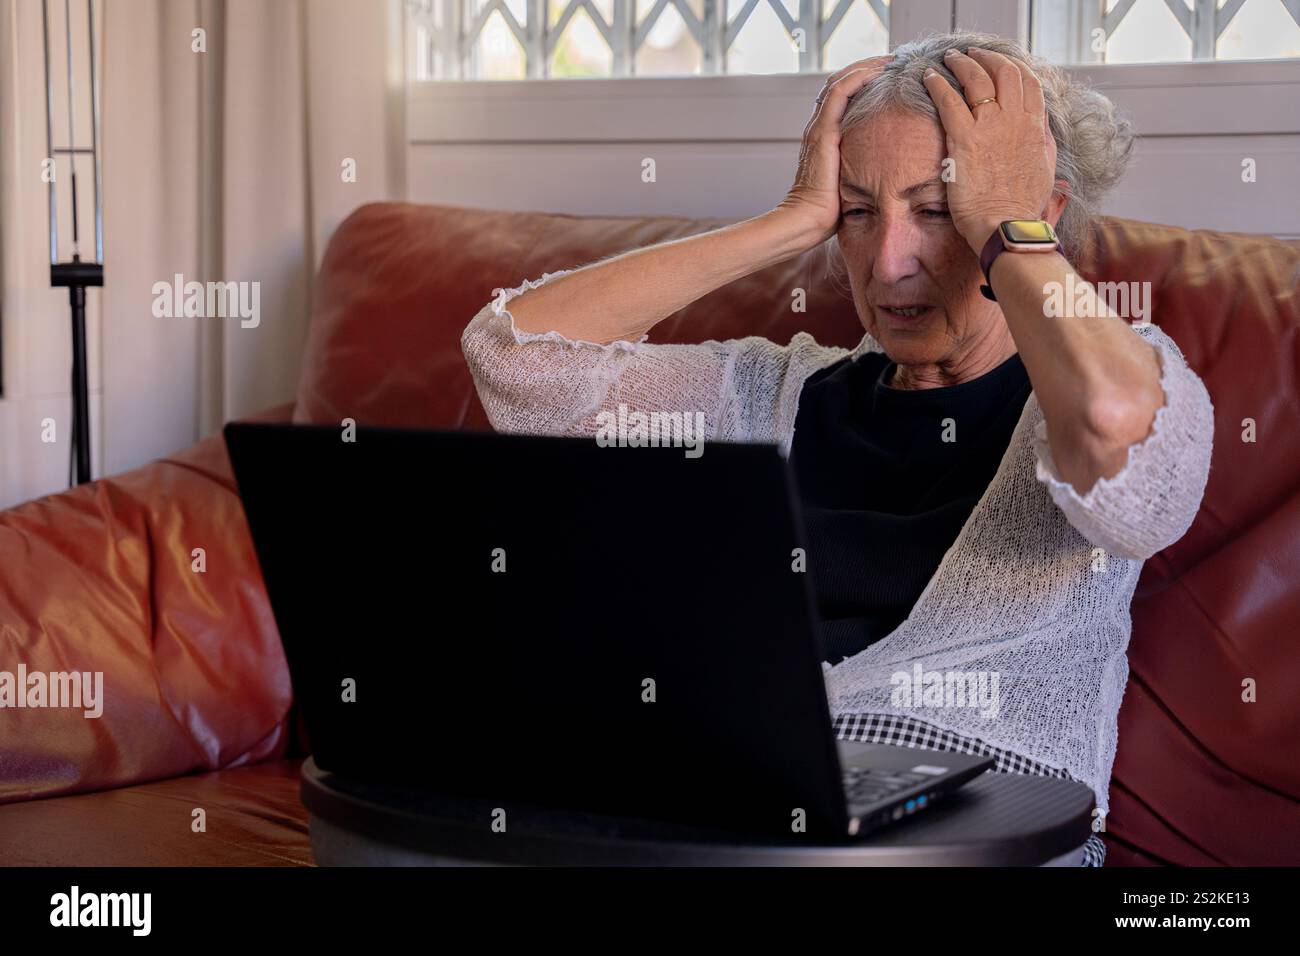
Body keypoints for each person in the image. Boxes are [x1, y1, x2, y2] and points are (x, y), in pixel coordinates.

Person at [460, 31, 1215, 867]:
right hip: (748, 816)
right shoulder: (768, 394)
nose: (889, 264)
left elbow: (1122, 439)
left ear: (1044, 212)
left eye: (937, 210)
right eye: (858, 213)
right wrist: (789, 222)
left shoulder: (1108, 382)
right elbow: (515, 364)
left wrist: (1009, 223)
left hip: (982, 841)